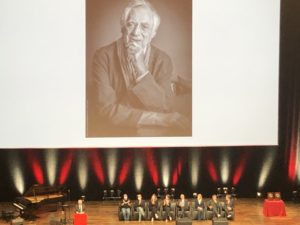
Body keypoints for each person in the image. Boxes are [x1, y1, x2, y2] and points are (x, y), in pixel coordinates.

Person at [89, 0, 191, 137]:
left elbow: (165, 107)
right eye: (131, 24)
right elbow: (106, 110)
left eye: (144, 27)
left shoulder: (163, 59)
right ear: (123, 27)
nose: (136, 32)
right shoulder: (102, 56)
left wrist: (140, 68)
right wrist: (160, 119)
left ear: (153, 33)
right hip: (113, 137)